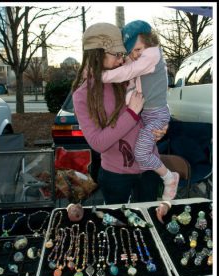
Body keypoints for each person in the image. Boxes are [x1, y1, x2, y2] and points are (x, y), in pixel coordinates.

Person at [72, 22, 169, 222]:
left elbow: (157, 99)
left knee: (148, 223)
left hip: (149, 167)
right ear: (97, 54)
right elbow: (98, 143)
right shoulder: (83, 95)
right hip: (116, 175)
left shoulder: (129, 72)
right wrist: (131, 114)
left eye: (122, 53)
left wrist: (162, 127)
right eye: (116, 54)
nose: (122, 59)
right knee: (119, 225)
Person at [101, 20, 180, 217]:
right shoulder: (142, 57)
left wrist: (102, 76)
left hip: (155, 114)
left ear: (149, 40)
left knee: (142, 154)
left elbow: (129, 71)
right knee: (143, 156)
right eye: (131, 52)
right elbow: (130, 69)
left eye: (136, 49)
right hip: (149, 115)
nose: (134, 55)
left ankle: (170, 178)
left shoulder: (152, 54)